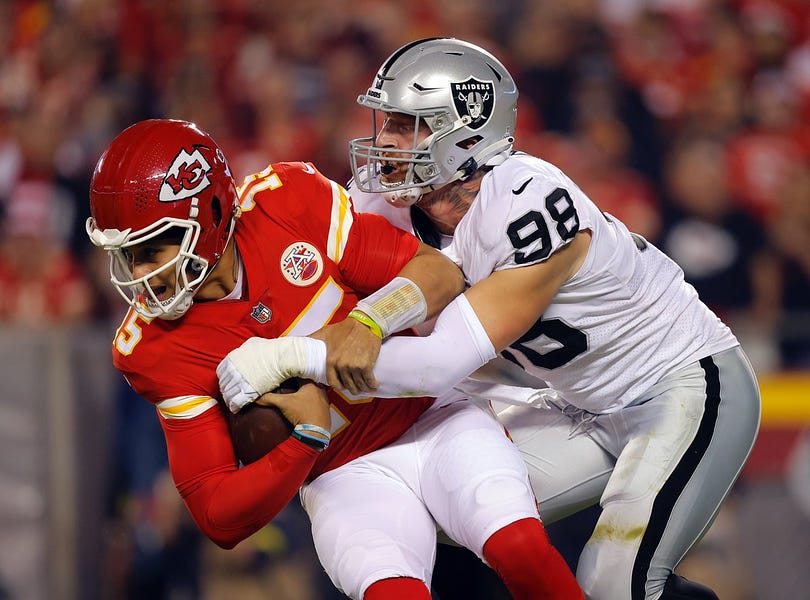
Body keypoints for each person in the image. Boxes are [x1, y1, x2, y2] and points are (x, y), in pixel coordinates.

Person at [218, 38, 762, 600]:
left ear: (468, 131)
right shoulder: (388, 204)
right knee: (461, 501)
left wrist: (290, 356)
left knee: (613, 582)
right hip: (575, 402)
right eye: (386, 123)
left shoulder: (526, 200)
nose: (385, 142)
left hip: (679, 385)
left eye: (408, 126)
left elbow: (440, 361)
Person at [86, 118, 583, 600]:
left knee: (519, 548)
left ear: (211, 212)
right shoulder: (153, 347)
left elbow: (437, 271)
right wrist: (303, 440)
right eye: (128, 255)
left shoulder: (286, 202)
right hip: (341, 475)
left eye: (152, 248)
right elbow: (216, 513)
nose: (140, 274)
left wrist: (368, 322)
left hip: (434, 415)